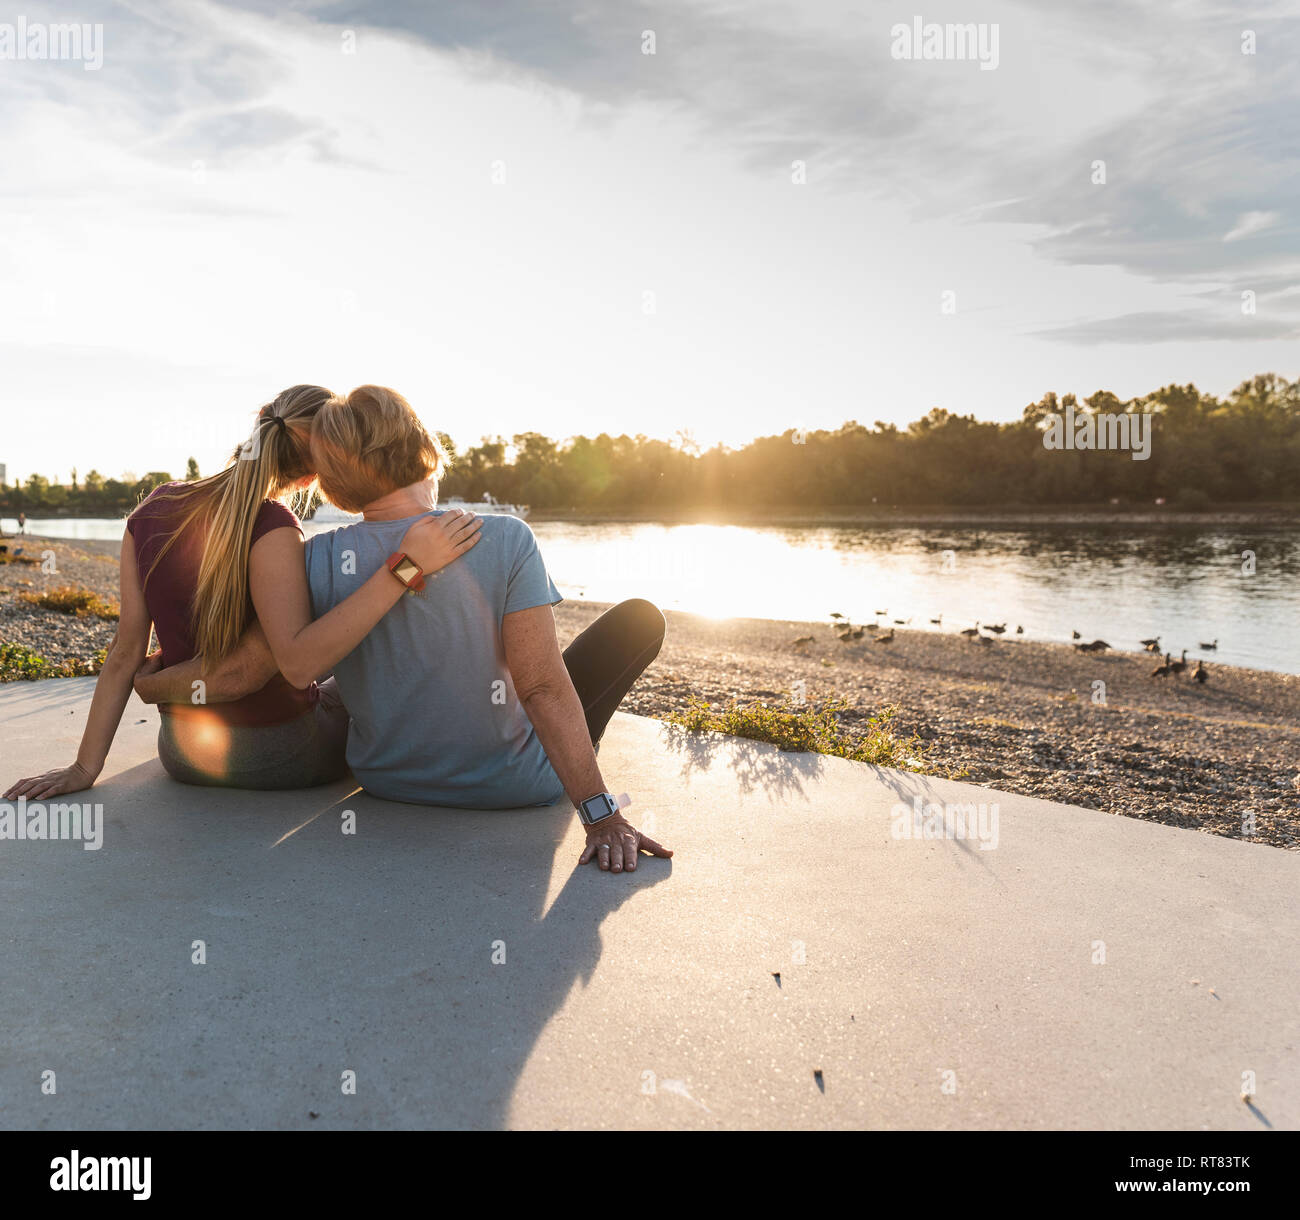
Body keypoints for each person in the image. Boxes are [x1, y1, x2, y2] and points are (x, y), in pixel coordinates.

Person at [141, 385, 671, 875]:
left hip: (387, 781)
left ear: (337, 486)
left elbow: (271, 663)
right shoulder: (505, 538)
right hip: (512, 785)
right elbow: (540, 688)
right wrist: (601, 816)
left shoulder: (317, 557)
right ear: (427, 450)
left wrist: (153, 681)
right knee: (639, 621)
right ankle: (586, 776)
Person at [3, 386, 481, 801]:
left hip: (184, 753)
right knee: (364, 676)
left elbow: (125, 651)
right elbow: (251, 670)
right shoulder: (275, 527)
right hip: (282, 755)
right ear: (318, 474)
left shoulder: (154, 506)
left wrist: (84, 768)